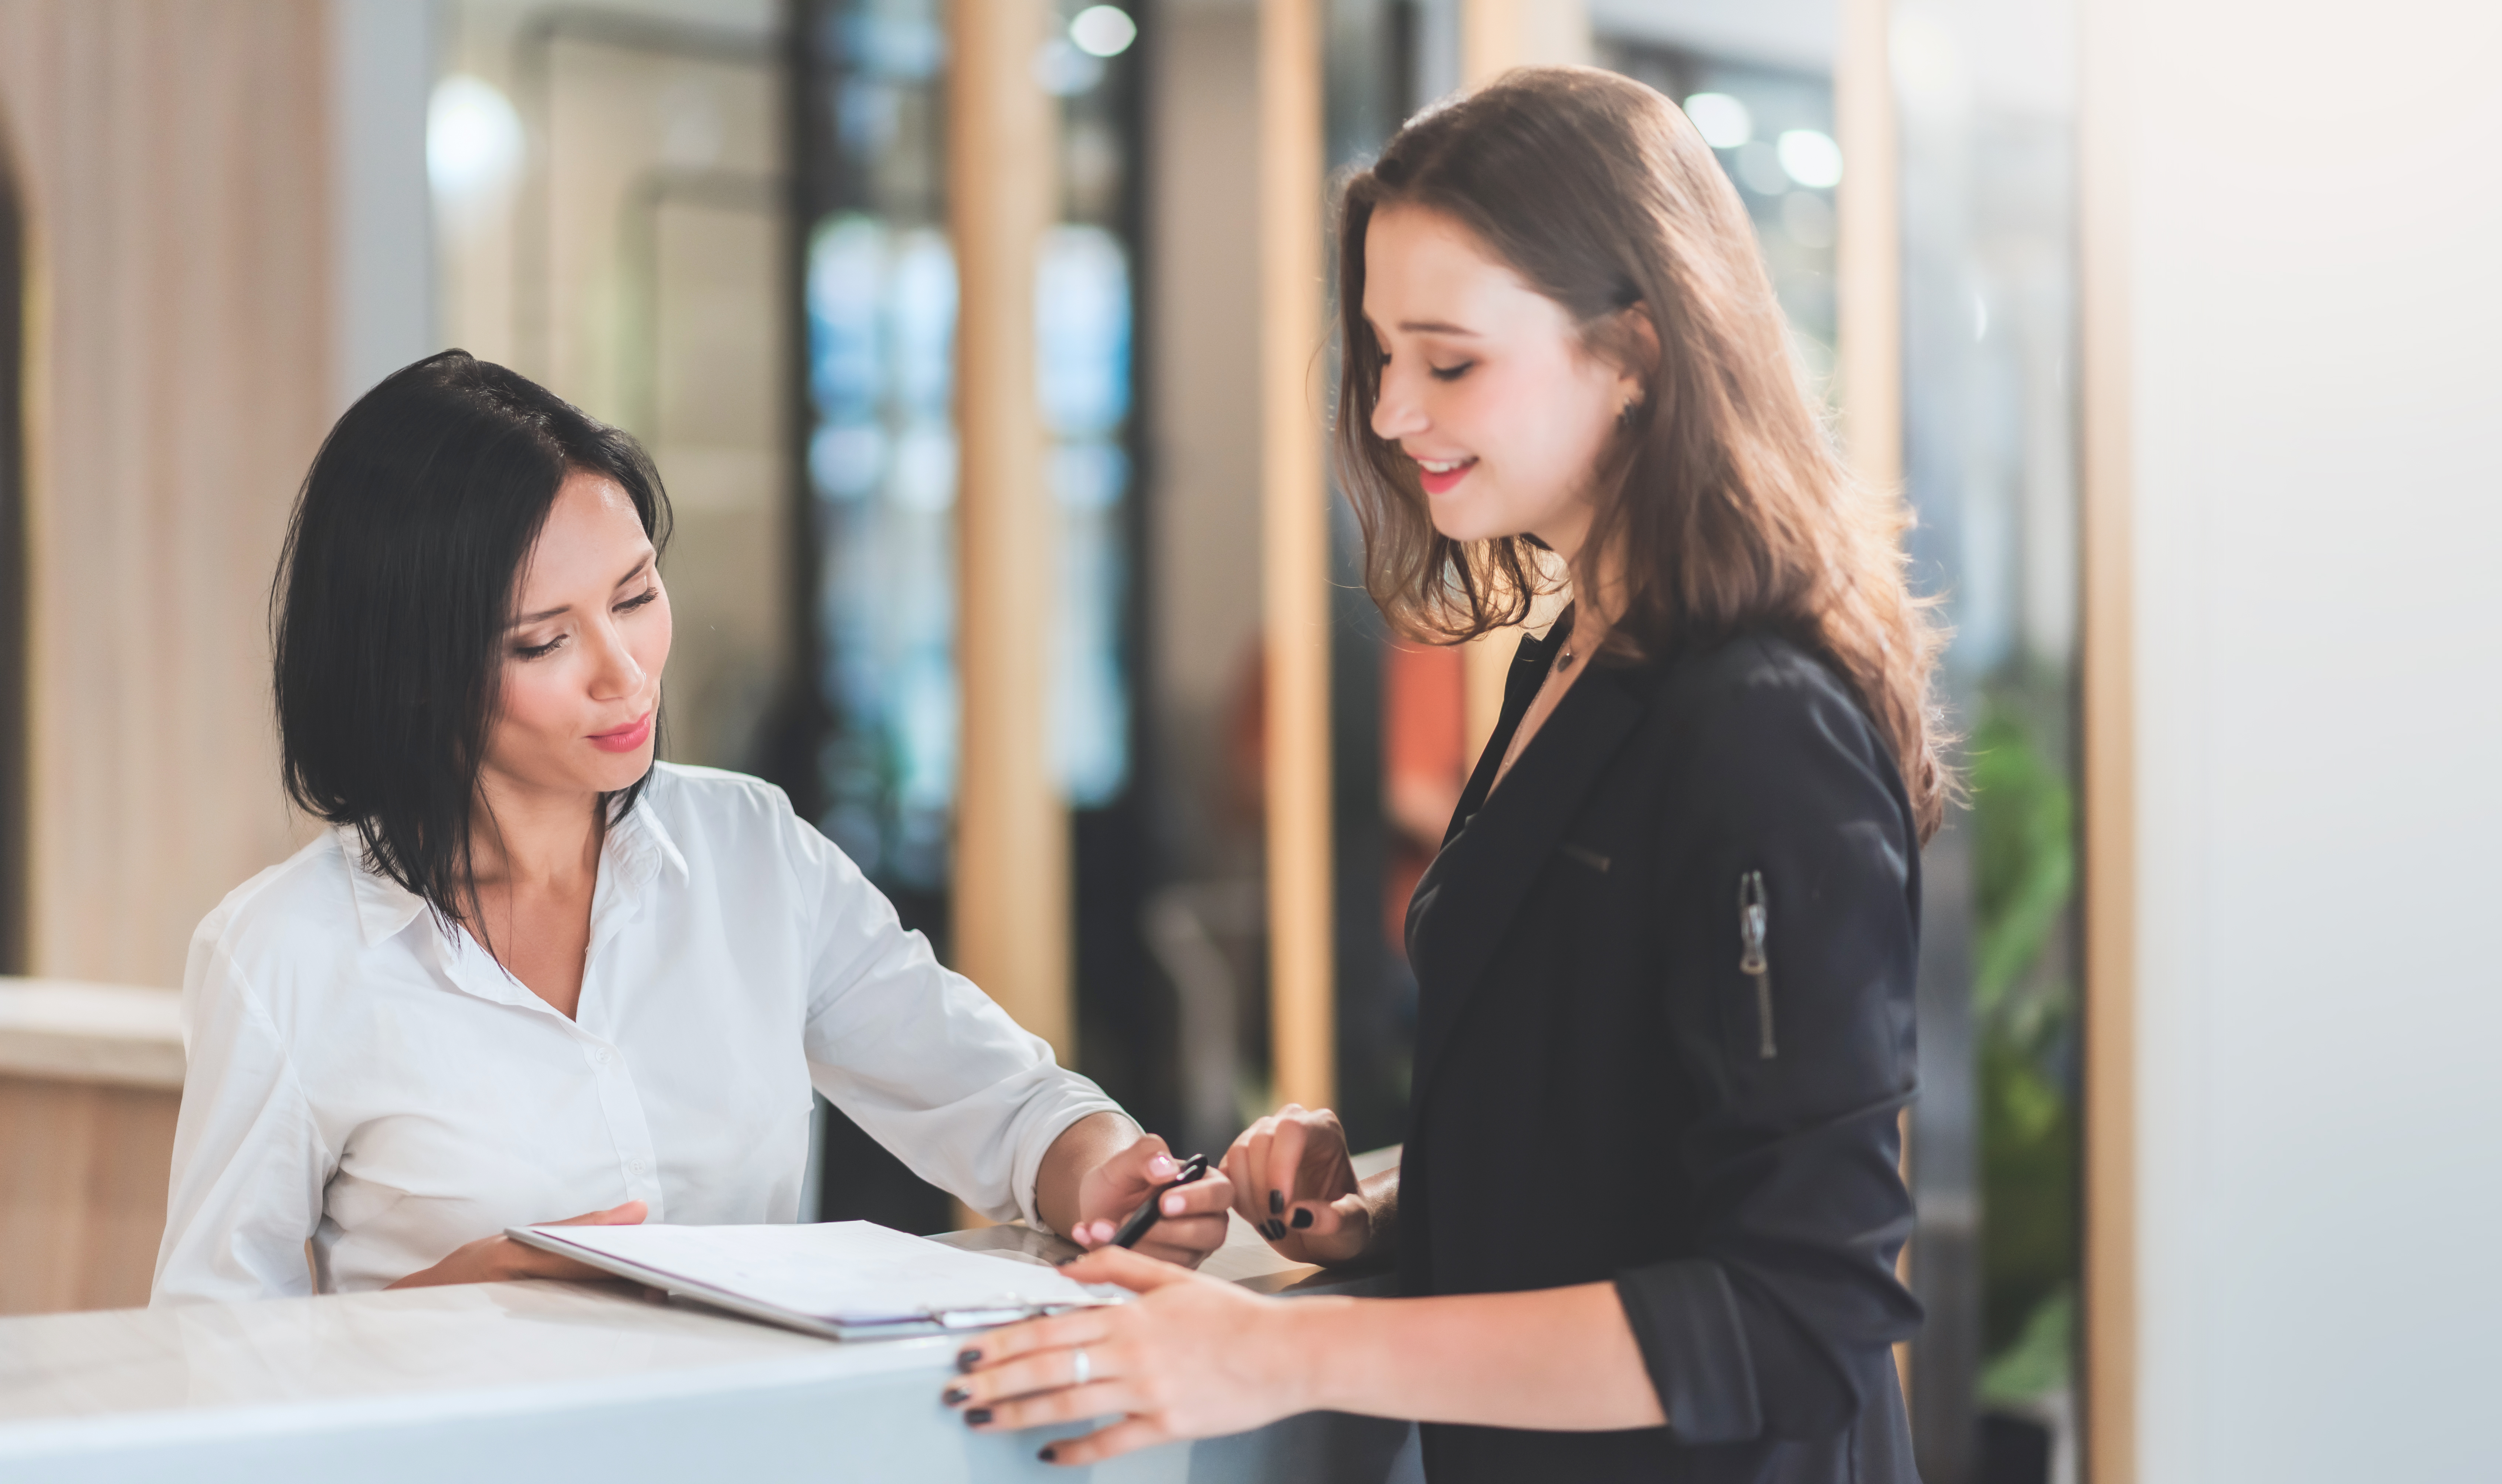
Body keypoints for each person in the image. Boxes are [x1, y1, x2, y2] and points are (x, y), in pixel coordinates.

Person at [944, 66, 1945, 1481]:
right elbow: (1632, 1162)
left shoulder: (1756, 722)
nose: (1396, 411)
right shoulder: (1572, 663)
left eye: (1449, 360)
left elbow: (1798, 1312)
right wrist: (1392, 1205)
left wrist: (1273, 1351)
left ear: (1637, 352)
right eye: (1379, 355)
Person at [152, 352, 1231, 1303]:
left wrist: (1105, 1170)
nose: (624, 676)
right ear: (415, 678)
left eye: (634, 596)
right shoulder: (287, 953)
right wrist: (435, 1309)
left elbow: (999, 1103)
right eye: (542, 643)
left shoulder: (751, 852)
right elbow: (206, 1353)